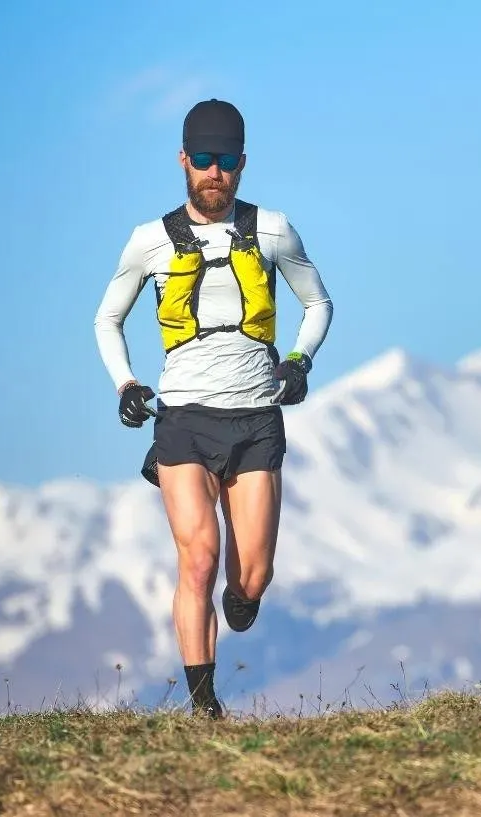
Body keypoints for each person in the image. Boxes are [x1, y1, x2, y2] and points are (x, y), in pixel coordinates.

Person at [93, 99, 334, 718]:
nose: (214, 173)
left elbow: (318, 304)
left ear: (243, 164)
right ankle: (205, 705)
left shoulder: (274, 230)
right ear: (183, 161)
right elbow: (108, 319)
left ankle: (242, 598)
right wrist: (126, 385)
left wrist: (299, 363)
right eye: (202, 160)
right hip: (183, 421)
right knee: (197, 556)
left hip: (255, 418)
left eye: (225, 161)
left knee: (250, 578)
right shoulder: (149, 241)